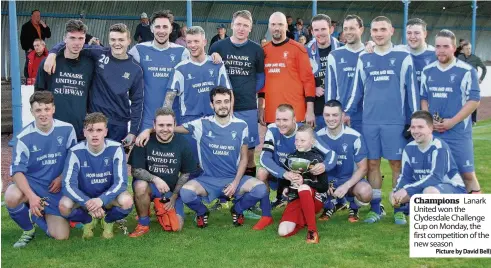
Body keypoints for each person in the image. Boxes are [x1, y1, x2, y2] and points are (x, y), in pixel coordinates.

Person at [344, 16, 418, 223]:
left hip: (395, 122)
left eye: (382, 29)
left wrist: (414, 119)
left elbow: (411, 89)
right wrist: (346, 111)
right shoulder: (364, 57)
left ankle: (399, 210)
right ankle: (377, 209)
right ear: (370, 32)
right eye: (375, 30)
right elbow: (356, 89)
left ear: (391, 31)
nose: (378, 33)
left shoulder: (403, 57)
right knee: (373, 163)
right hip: (370, 122)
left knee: (396, 165)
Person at [177, 87, 268, 228]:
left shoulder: (241, 125)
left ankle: (237, 210)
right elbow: (171, 129)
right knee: (185, 192)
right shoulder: (202, 124)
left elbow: (244, 158)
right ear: (212, 105)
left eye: (226, 101)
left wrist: (235, 183)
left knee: (260, 189)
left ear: (231, 103)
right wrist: (149, 130)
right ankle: (202, 212)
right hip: (208, 180)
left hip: (233, 178)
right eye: (218, 102)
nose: (223, 105)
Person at [44, 23, 144, 145]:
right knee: (91, 160)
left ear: (128, 41)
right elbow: (72, 44)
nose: (117, 43)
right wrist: (52, 53)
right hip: (94, 120)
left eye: (121, 40)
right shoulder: (99, 53)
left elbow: (137, 102)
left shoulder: (135, 68)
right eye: (113, 39)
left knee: (113, 161)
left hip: (118, 124)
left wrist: (133, 131)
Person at [5, 91, 76, 247]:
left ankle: (38, 217)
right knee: (11, 195)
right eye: (38, 110)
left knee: (61, 236)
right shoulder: (23, 137)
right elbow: (17, 172)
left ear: (53, 109)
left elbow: (74, 160)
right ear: (32, 112)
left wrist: (62, 177)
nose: (43, 114)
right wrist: (31, 196)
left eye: (47, 109)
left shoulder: (67, 129)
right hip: (33, 187)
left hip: (56, 190)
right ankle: (28, 229)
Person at [253, 104, 337, 231]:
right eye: (278, 119)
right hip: (280, 173)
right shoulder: (272, 129)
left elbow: (331, 154)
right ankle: (266, 216)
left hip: (301, 179)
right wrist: (284, 173)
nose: (281, 124)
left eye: (285, 120)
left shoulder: (304, 132)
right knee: (261, 173)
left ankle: (313, 205)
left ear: (294, 119)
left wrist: (324, 165)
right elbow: (264, 158)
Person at [420, 29, 482, 194]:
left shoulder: (467, 71)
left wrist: (451, 122)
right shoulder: (428, 71)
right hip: (434, 132)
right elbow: (424, 98)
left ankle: (478, 216)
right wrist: (428, 123)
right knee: (433, 174)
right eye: (438, 46)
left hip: (458, 133)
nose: (441, 50)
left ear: (454, 48)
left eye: (445, 46)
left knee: (467, 174)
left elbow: (474, 100)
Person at [158, 26, 230, 166]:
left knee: (215, 164)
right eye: (189, 42)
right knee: (191, 167)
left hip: (213, 122)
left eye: (196, 41)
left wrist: (228, 120)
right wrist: (166, 123)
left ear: (204, 41)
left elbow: (227, 94)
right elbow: (169, 99)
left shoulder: (217, 65)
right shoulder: (180, 68)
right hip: (189, 124)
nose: (192, 45)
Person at [209, 10, 265, 180]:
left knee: (248, 153)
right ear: (232, 25)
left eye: (245, 25)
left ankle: (247, 193)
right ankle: (223, 194)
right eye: (239, 24)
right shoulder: (217, 47)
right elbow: (210, 74)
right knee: (223, 150)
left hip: (247, 107)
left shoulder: (256, 49)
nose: (241, 28)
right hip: (223, 108)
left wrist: (248, 91)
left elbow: (261, 78)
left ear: (251, 28)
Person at [59, 113, 133, 239]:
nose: (95, 134)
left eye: (99, 130)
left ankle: (108, 220)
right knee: (64, 206)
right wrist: (87, 202)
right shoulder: (75, 151)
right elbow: (67, 185)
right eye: (90, 130)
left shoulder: (116, 148)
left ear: (105, 132)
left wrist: (101, 200)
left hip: (107, 198)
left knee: (127, 201)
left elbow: (121, 182)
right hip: (85, 199)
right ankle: (88, 220)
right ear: (84, 132)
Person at [128, 108, 196, 237]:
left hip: (170, 191)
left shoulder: (183, 144)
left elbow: (186, 174)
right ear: (154, 125)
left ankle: (158, 205)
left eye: (169, 125)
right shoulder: (144, 140)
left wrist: (174, 197)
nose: (165, 129)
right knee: (140, 186)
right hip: (150, 186)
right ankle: (143, 223)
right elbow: (135, 171)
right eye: (161, 125)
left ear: (175, 125)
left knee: (176, 227)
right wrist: (155, 179)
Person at [391, 111, 466, 224]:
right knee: (392, 195)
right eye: (413, 127)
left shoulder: (439, 147)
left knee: (429, 192)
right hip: (425, 186)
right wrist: (397, 193)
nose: (415, 131)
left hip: (452, 188)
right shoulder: (409, 148)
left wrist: (407, 190)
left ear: (431, 128)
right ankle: (408, 209)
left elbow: (436, 177)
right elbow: (405, 176)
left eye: (420, 127)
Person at [129, 10, 189, 135]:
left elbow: (199, 66)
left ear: (171, 28)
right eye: (157, 26)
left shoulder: (182, 52)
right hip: (146, 120)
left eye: (165, 27)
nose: (161, 31)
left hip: (173, 121)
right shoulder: (139, 50)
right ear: (151, 28)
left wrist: (214, 56)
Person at [35, 19, 95, 141]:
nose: (77, 43)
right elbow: (39, 95)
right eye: (72, 38)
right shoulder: (49, 63)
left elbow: (91, 95)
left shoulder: (90, 64)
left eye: (81, 38)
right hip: (53, 129)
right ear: (64, 39)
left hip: (79, 131)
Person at [316, 100, 372, 222]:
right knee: (309, 192)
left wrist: (346, 186)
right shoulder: (317, 137)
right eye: (327, 115)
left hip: (349, 181)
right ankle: (330, 205)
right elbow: (313, 166)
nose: (331, 119)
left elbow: (363, 168)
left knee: (365, 192)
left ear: (342, 115)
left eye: (335, 115)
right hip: (327, 182)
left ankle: (354, 206)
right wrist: (323, 183)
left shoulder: (355, 136)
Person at [259, 12, 316, 127]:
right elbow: (262, 83)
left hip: (295, 113)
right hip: (272, 113)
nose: (276, 28)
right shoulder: (263, 50)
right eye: (273, 24)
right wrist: (261, 107)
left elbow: (308, 80)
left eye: (280, 24)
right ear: (269, 26)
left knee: (298, 144)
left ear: (286, 26)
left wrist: (310, 110)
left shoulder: (298, 49)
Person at [278, 125, 330, 244]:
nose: (298, 143)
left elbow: (324, 187)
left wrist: (304, 181)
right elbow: (284, 180)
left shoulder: (317, 159)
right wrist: (286, 188)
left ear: (312, 141)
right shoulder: (291, 157)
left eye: (302, 140)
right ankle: (305, 219)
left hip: (313, 199)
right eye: (296, 140)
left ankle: (312, 231)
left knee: (303, 188)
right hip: (295, 200)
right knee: (283, 232)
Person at [325, 15, 365, 134]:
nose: (348, 32)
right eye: (345, 28)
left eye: (352, 28)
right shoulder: (334, 55)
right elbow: (330, 89)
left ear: (361, 30)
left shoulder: (370, 54)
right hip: (341, 116)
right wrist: (332, 115)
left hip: (366, 116)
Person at [306, 14, 342, 131]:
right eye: (316, 30)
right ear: (312, 32)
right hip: (317, 109)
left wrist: (371, 45)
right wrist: (313, 88)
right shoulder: (305, 52)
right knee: (318, 145)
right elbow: (301, 78)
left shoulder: (342, 49)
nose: (320, 33)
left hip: (339, 106)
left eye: (323, 29)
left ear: (331, 29)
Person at [458, 41, 487, 125]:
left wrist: (481, 79)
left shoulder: (476, 58)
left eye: (470, 48)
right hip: (461, 83)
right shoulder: (459, 58)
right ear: (463, 50)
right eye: (466, 49)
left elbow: (484, 68)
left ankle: (473, 120)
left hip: (472, 83)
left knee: (473, 100)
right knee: (460, 100)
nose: (468, 50)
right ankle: (461, 118)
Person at [20, 10, 51, 78]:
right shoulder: (26, 26)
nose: (38, 17)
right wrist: (27, 48)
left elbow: (48, 35)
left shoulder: (41, 25)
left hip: (41, 48)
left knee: (42, 62)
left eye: (39, 15)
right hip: (31, 49)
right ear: (32, 16)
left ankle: (41, 78)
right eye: (36, 15)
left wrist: (44, 25)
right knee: (29, 63)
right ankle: (28, 79)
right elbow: (22, 39)